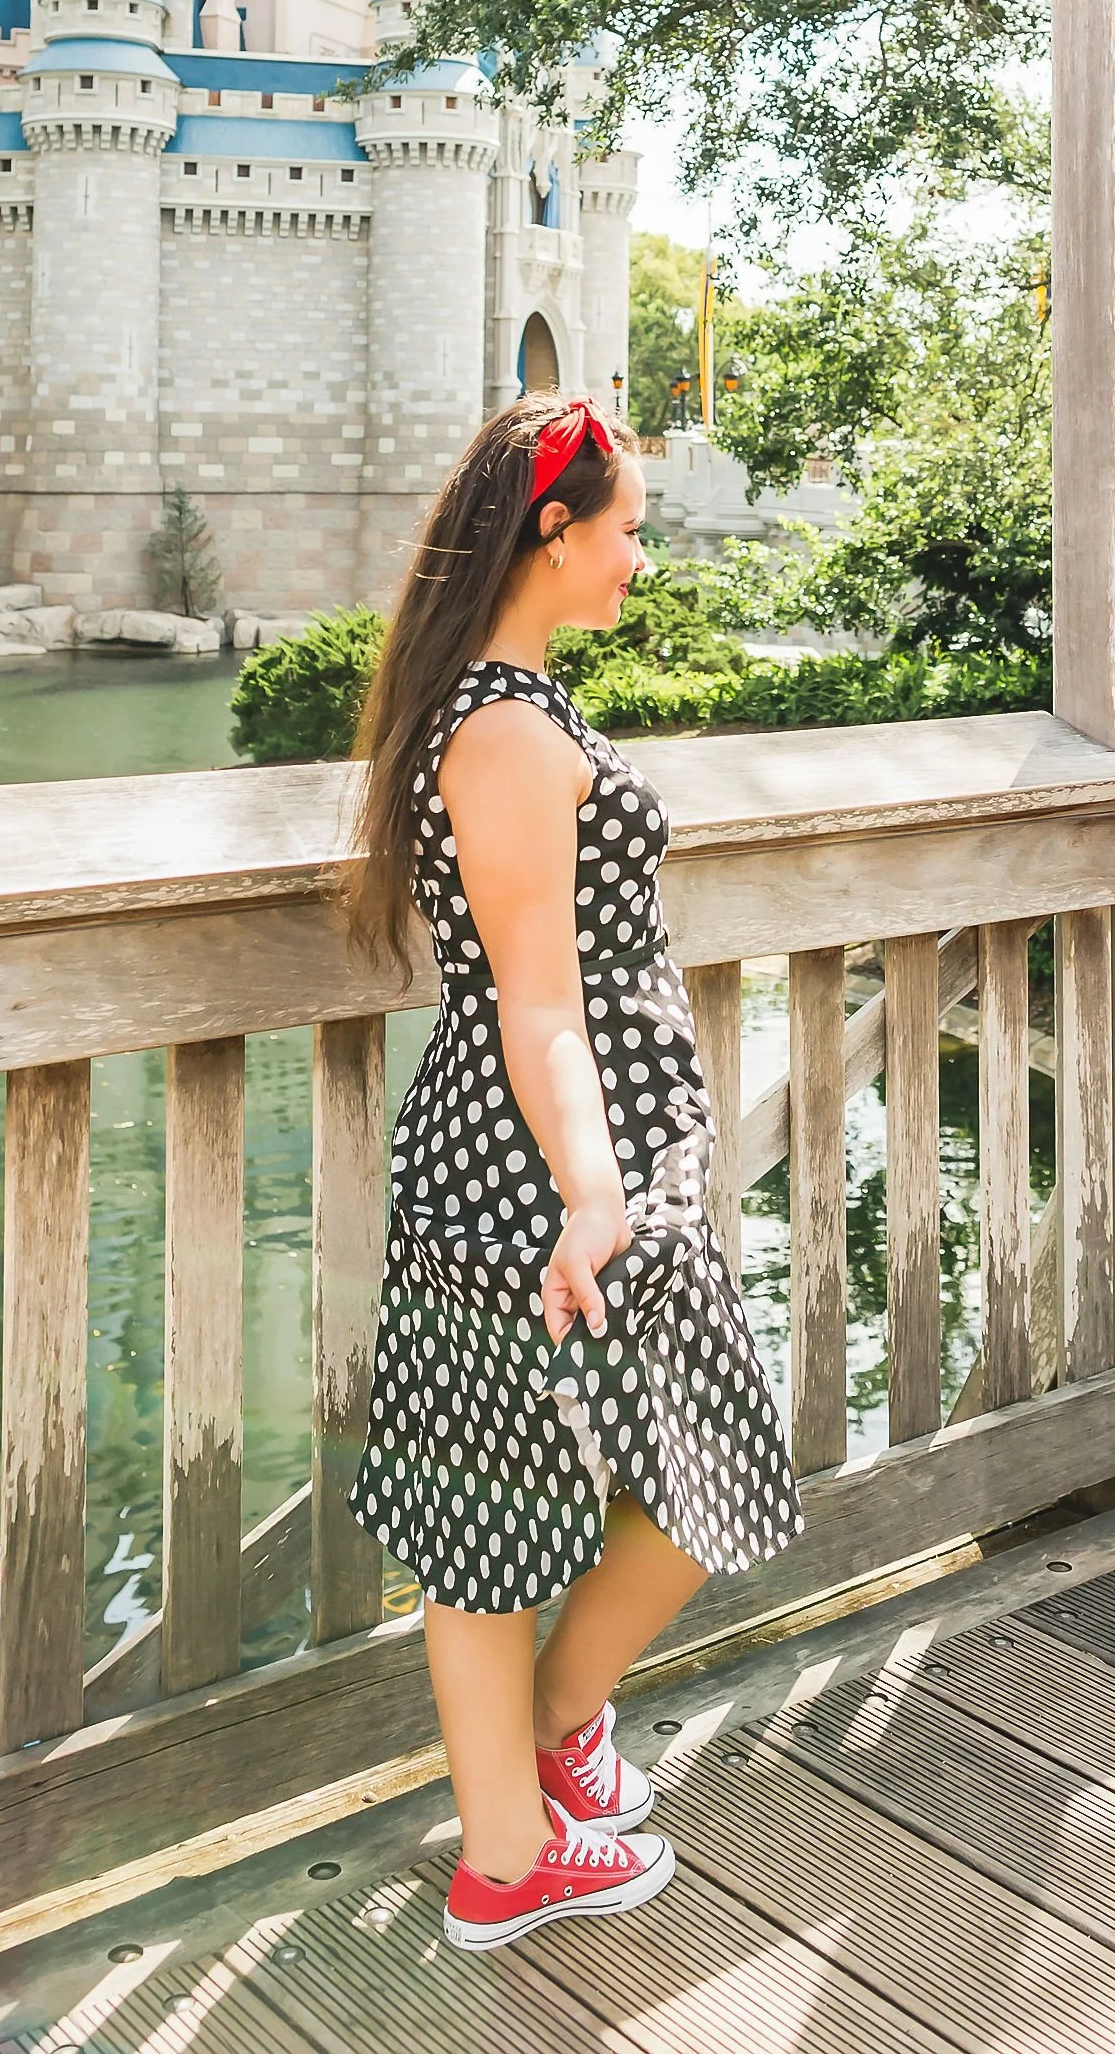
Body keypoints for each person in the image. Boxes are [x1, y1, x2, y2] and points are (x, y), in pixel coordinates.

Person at [346, 392, 803, 1951]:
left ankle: (532, 1783)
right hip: (537, 1153)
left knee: (586, 1473)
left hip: (543, 1139)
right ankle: (514, 1833)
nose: (637, 560)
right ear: (551, 532)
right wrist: (595, 1189)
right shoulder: (503, 732)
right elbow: (538, 999)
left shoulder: (502, 704)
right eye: (624, 531)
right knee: (604, 1478)